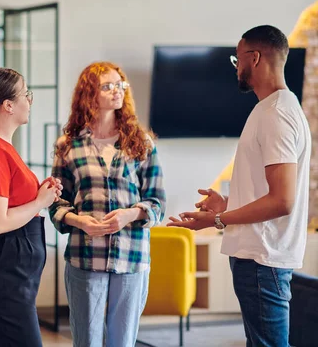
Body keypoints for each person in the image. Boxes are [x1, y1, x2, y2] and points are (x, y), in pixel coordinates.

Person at [168, 25, 311, 347]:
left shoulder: (276, 114)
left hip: (263, 257)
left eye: (237, 59)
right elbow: (270, 193)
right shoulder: (273, 110)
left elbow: (282, 201)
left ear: (255, 57)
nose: (236, 68)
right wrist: (228, 204)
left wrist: (216, 220)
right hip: (260, 254)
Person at [50, 62, 166, 347]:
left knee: (122, 342)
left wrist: (129, 214)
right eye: (107, 86)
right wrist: (80, 221)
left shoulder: (142, 143)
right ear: (89, 94)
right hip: (84, 256)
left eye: (120, 85)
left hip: (132, 256)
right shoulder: (68, 145)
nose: (117, 91)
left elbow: (157, 202)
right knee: (86, 341)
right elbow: (56, 204)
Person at [0, 67, 62, 347]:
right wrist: (40, 202)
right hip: (1, 271)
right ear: (8, 105)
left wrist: (40, 193)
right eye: (26, 94)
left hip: (8, 270)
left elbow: (10, 198)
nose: (29, 101)